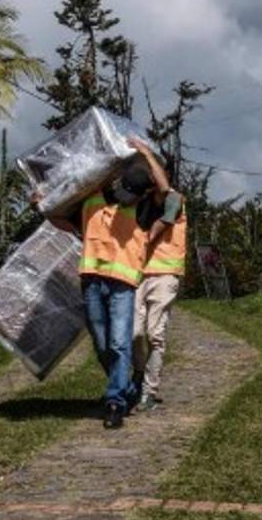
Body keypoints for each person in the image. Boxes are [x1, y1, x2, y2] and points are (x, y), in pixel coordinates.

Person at [43, 139, 168, 429]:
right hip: (91, 281)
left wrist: (145, 153)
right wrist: (44, 204)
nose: (126, 199)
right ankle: (127, 387)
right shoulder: (92, 198)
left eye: (131, 196)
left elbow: (164, 191)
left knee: (119, 343)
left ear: (143, 194)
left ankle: (115, 402)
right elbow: (56, 214)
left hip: (122, 284)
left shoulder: (145, 208)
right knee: (102, 344)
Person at [133, 184, 186, 412]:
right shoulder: (136, 199)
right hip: (135, 272)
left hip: (165, 273)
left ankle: (149, 392)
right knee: (134, 333)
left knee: (155, 335)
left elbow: (165, 220)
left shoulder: (175, 198)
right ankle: (138, 372)